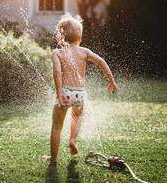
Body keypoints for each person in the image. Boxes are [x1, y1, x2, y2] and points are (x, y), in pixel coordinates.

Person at [42, 14, 118, 163]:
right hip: (79, 94)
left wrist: (59, 92)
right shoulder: (84, 52)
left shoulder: (57, 53)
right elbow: (101, 62)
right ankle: (72, 140)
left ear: (60, 38)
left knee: (57, 126)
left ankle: (54, 157)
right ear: (80, 37)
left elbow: (57, 73)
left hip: (64, 92)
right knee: (77, 117)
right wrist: (111, 80)